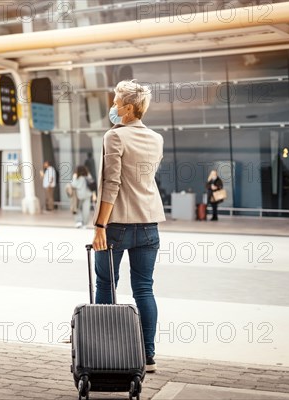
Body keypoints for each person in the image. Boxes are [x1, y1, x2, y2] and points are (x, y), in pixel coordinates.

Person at [91, 80, 165, 373]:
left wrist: (100, 225)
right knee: (144, 289)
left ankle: (106, 353)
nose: (113, 106)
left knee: (106, 284)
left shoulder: (115, 137)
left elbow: (112, 184)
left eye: (117, 101)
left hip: (117, 223)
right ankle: (148, 356)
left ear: (129, 108)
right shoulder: (156, 139)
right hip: (149, 223)